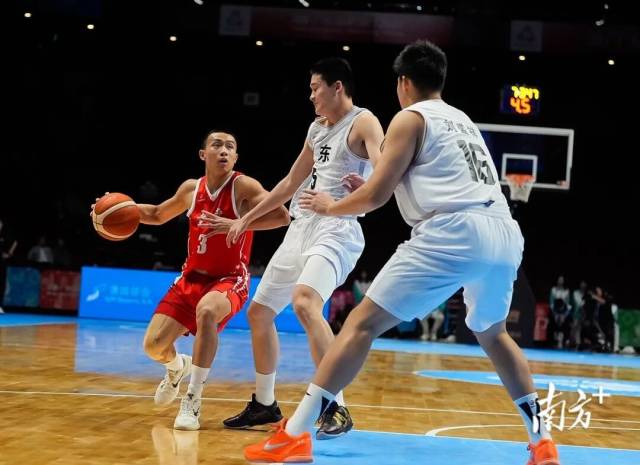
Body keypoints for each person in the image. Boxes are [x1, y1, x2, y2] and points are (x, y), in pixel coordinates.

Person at [243, 40, 560, 465]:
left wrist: (333, 205)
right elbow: (418, 183)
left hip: (451, 232)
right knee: (494, 334)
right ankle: (542, 441)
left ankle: (295, 434)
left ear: (404, 82)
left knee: (360, 325)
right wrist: (372, 188)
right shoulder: (463, 120)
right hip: (503, 232)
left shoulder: (408, 118)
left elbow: (376, 196)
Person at [215, 57, 383, 439]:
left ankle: (335, 406)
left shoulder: (364, 122)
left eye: (315, 88)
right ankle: (264, 403)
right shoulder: (316, 128)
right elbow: (292, 181)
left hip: (337, 227)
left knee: (306, 303)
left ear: (337, 87)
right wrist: (245, 219)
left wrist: (366, 189)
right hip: (302, 226)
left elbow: (386, 168)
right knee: (259, 313)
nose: (311, 96)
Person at [92, 130, 290, 431]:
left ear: (236, 157)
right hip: (191, 278)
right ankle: (176, 368)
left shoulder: (243, 186)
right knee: (154, 347)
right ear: (203, 154)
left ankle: (193, 399)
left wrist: (239, 222)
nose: (224, 150)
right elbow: (157, 214)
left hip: (230, 279)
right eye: (217, 145)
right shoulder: (190, 189)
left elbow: (281, 216)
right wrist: (111, 209)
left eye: (230, 147)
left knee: (207, 311)